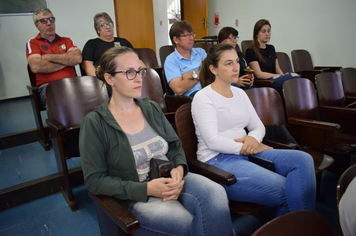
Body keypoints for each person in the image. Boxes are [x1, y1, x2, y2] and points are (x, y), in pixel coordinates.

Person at [79, 46, 234, 236]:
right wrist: (146, 189)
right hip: (138, 195)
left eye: (140, 71)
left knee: (216, 194)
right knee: (186, 223)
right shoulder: (95, 123)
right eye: (129, 72)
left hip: (171, 179)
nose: (138, 78)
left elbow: (175, 146)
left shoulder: (150, 108)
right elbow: (95, 181)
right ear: (109, 78)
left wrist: (179, 168)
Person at [192, 43, 316, 217]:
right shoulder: (204, 97)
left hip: (247, 151)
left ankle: (303, 226)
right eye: (228, 63)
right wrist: (251, 146)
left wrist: (253, 140)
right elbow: (212, 140)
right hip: (218, 160)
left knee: (303, 159)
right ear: (213, 69)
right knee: (289, 189)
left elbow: (257, 126)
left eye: (236, 61)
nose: (236, 67)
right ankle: (304, 226)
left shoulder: (240, 93)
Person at [26, 8, 82, 105]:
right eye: (43, 21)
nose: (49, 23)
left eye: (51, 19)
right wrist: (66, 61)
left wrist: (47, 57)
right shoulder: (32, 43)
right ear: (37, 25)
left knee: (93, 93)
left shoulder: (66, 40)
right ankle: (61, 121)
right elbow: (36, 66)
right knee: (59, 97)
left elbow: (77, 58)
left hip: (73, 83)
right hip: (48, 87)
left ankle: (89, 120)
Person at [245, 19, 299, 97]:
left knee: (296, 79)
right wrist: (279, 76)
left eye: (268, 31)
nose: (267, 34)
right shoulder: (251, 51)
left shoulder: (271, 48)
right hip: (265, 82)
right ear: (257, 34)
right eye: (263, 31)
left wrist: (282, 76)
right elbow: (259, 74)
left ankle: (295, 107)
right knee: (295, 76)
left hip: (274, 80)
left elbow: (277, 69)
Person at [164, 20, 207, 97]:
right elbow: (179, 89)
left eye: (192, 34)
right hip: (189, 98)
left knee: (232, 86)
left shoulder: (201, 52)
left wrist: (190, 75)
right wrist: (199, 74)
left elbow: (212, 73)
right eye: (186, 36)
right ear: (176, 40)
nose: (191, 38)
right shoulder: (171, 60)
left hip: (209, 89)